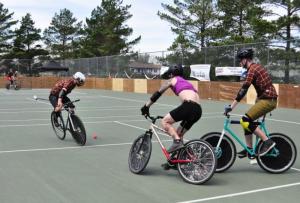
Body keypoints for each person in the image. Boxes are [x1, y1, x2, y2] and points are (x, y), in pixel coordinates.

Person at [225, 48, 278, 158]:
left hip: (268, 100)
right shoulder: (255, 68)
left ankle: (267, 142)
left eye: (240, 60)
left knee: (245, 120)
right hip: (266, 99)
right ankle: (249, 149)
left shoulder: (252, 69)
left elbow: (244, 89)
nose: (240, 63)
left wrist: (231, 107)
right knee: (246, 122)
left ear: (245, 59)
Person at [141, 65, 202, 155]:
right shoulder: (188, 83)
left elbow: (157, 94)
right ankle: (178, 159)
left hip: (189, 106)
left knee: (165, 122)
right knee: (178, 134)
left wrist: (146, 107)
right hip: (198, 110)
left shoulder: (172, 80)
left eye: (169, 74)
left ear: (171, 74)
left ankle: (177, 142)